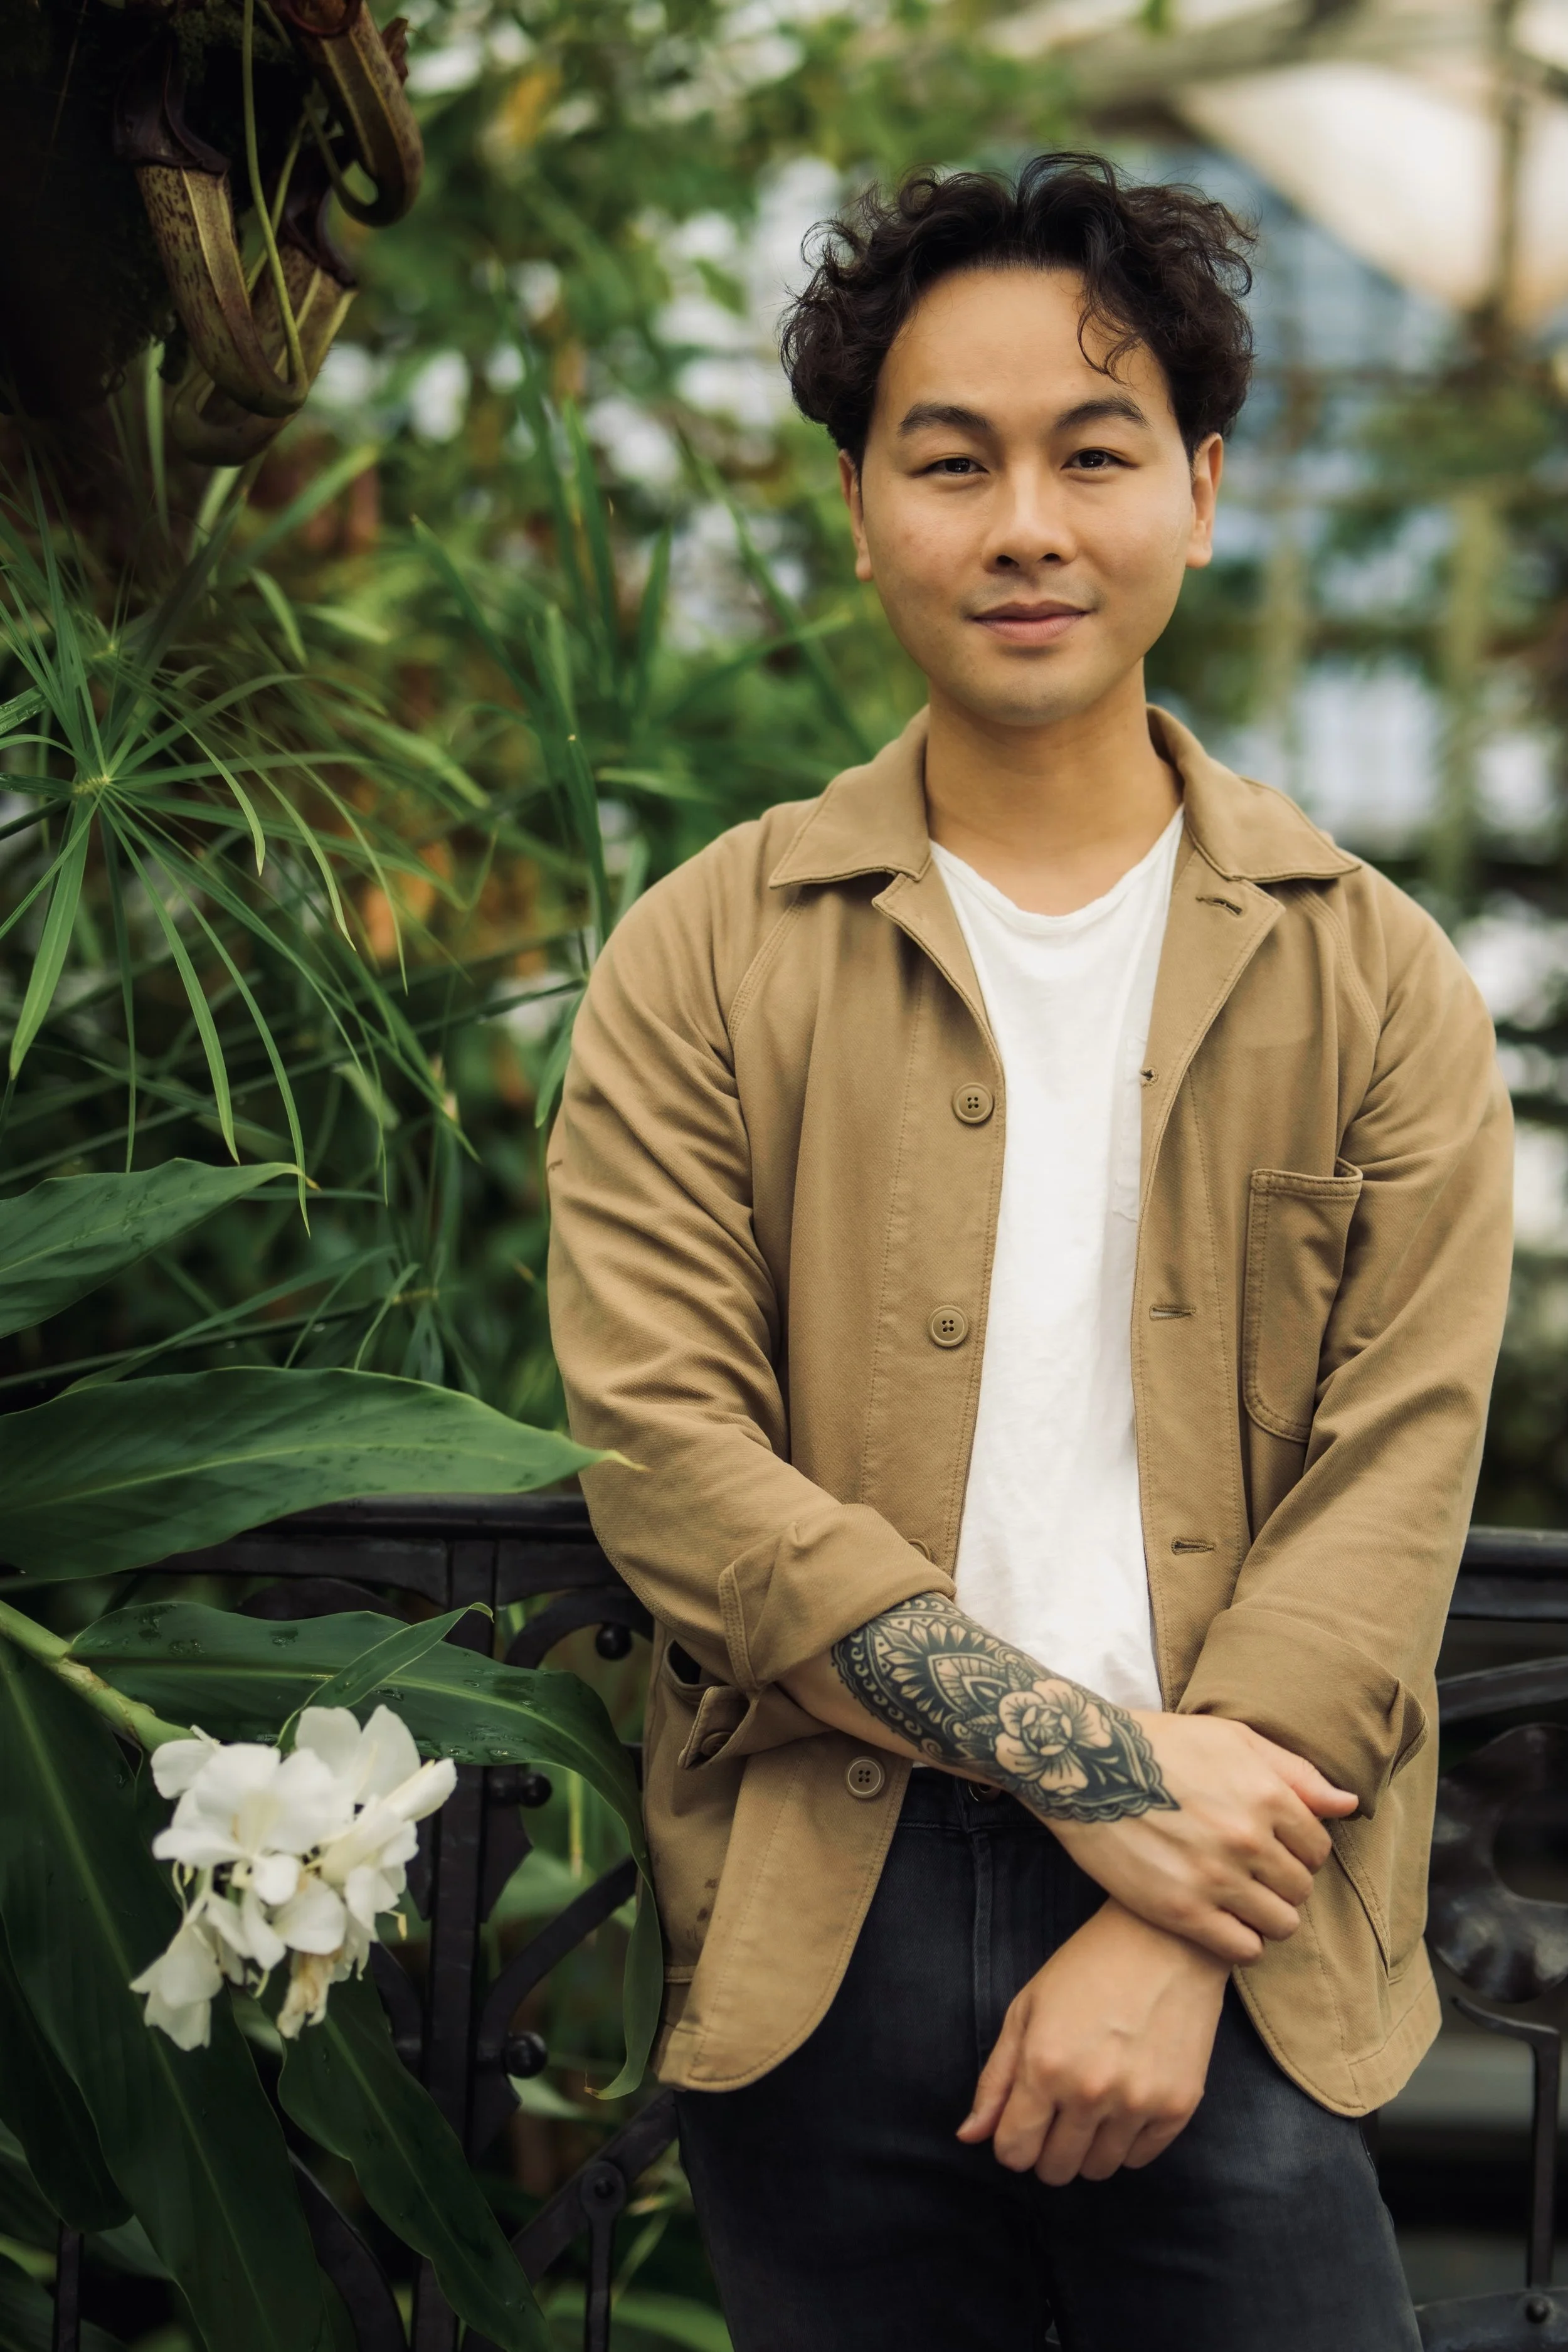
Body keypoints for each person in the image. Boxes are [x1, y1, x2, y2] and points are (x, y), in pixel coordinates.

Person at [546, 152, 1513, 2351]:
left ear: (1199, 484)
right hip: (826, 1908)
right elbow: (675, 1461)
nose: (1023, 528)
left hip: (1246, 1924)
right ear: (863, 502)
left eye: (1091, 455)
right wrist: (1101, 1776)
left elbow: (1391, 1488)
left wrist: (1178, 1911)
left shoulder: (1375, 980)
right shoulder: (705, 954)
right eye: (947, 459)